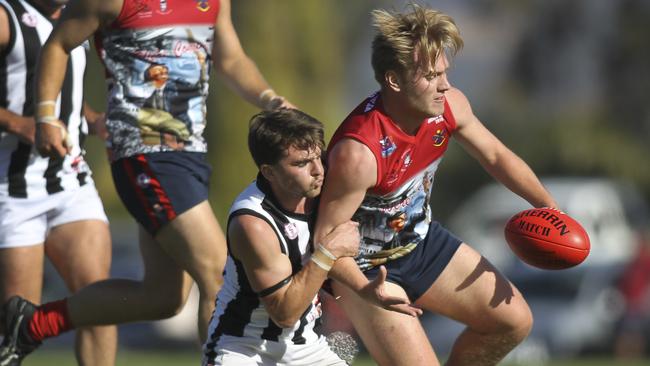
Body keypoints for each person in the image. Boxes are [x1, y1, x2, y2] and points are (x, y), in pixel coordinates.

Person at [1, 0, 293, 363]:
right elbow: (58, 43)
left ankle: (32, 323)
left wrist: (270, 100)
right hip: (144, 155)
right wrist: (45, 115)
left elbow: (230, 58)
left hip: (190, 156)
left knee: (164, 297)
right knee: (220, 278)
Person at [314, 5, 560, 366]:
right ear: (394, 80)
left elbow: (495, 156)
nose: (444, 85)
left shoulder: (449, 107)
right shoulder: (359, 153)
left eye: (445, 72)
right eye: (431, 76)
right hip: (366, 269)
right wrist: (367, 290)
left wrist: (547, 206)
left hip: (420, 243)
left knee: (513, 322)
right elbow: (325, 241)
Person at [0, 0, 117, 365]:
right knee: (15, 328)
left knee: (99, 305)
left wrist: (94, 119)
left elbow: (57, 88)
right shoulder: (7, 17)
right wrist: (22, 124)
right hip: (11, 187)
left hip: (71, 181)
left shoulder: (77, 16)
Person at [202, 108, 361, 365]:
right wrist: (328, 251)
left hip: (306, 347)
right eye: (301, 163)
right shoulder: (253, 223)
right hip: (244, 348)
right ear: (269, 172)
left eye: (318, 157)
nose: (318, 170)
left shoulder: (325, 187)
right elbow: (284, 313)